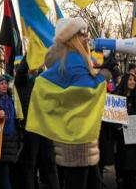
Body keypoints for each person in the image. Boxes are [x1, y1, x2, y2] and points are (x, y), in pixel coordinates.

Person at [26, 17, 106, 189]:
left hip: (79, 135)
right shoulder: (73, 61)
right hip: (77, 137)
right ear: (71, 38)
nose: (86, 37)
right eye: (81, 34)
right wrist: (103, 77)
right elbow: (85, 92)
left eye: (86, 33)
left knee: (89, 183)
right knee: (82, 183)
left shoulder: (70, 60)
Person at [15, 56, 60, 189]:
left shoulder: (45, 81)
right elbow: (21, 70)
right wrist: (31, 52)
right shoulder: (21, 82)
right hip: (31, 129)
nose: (37, 67)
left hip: (46, 128)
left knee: (50, 162)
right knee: (30, 164)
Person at [0, 74, 22, 189]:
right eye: (1, 84)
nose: (5, 85)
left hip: (11, 140)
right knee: (3, 176)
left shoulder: (11, 98)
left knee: (10, 175)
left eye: (5, 83)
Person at [114, 73, 136, 189]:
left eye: (134, 80)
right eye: (130, 80)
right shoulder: (118, 98)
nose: (133, 82)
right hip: (122, 137)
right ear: (125, 81)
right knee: (123, 163)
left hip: (133, 137)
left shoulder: (135, 96)